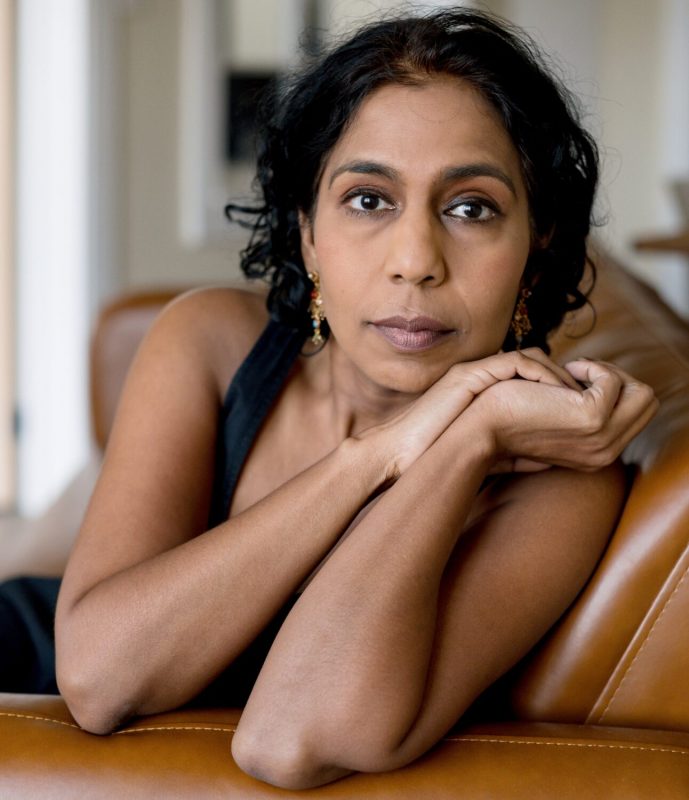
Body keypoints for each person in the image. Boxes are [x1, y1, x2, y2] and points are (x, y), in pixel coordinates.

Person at [3, 6, 657, 790]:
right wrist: (377, 455)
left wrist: (460, 442)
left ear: (535, 243)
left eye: (470, 208)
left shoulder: (562, 483)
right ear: (308, 232)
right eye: (369, 200)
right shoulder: (209, 341)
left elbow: (288, 739)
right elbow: (97, 678)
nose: (414, 261)